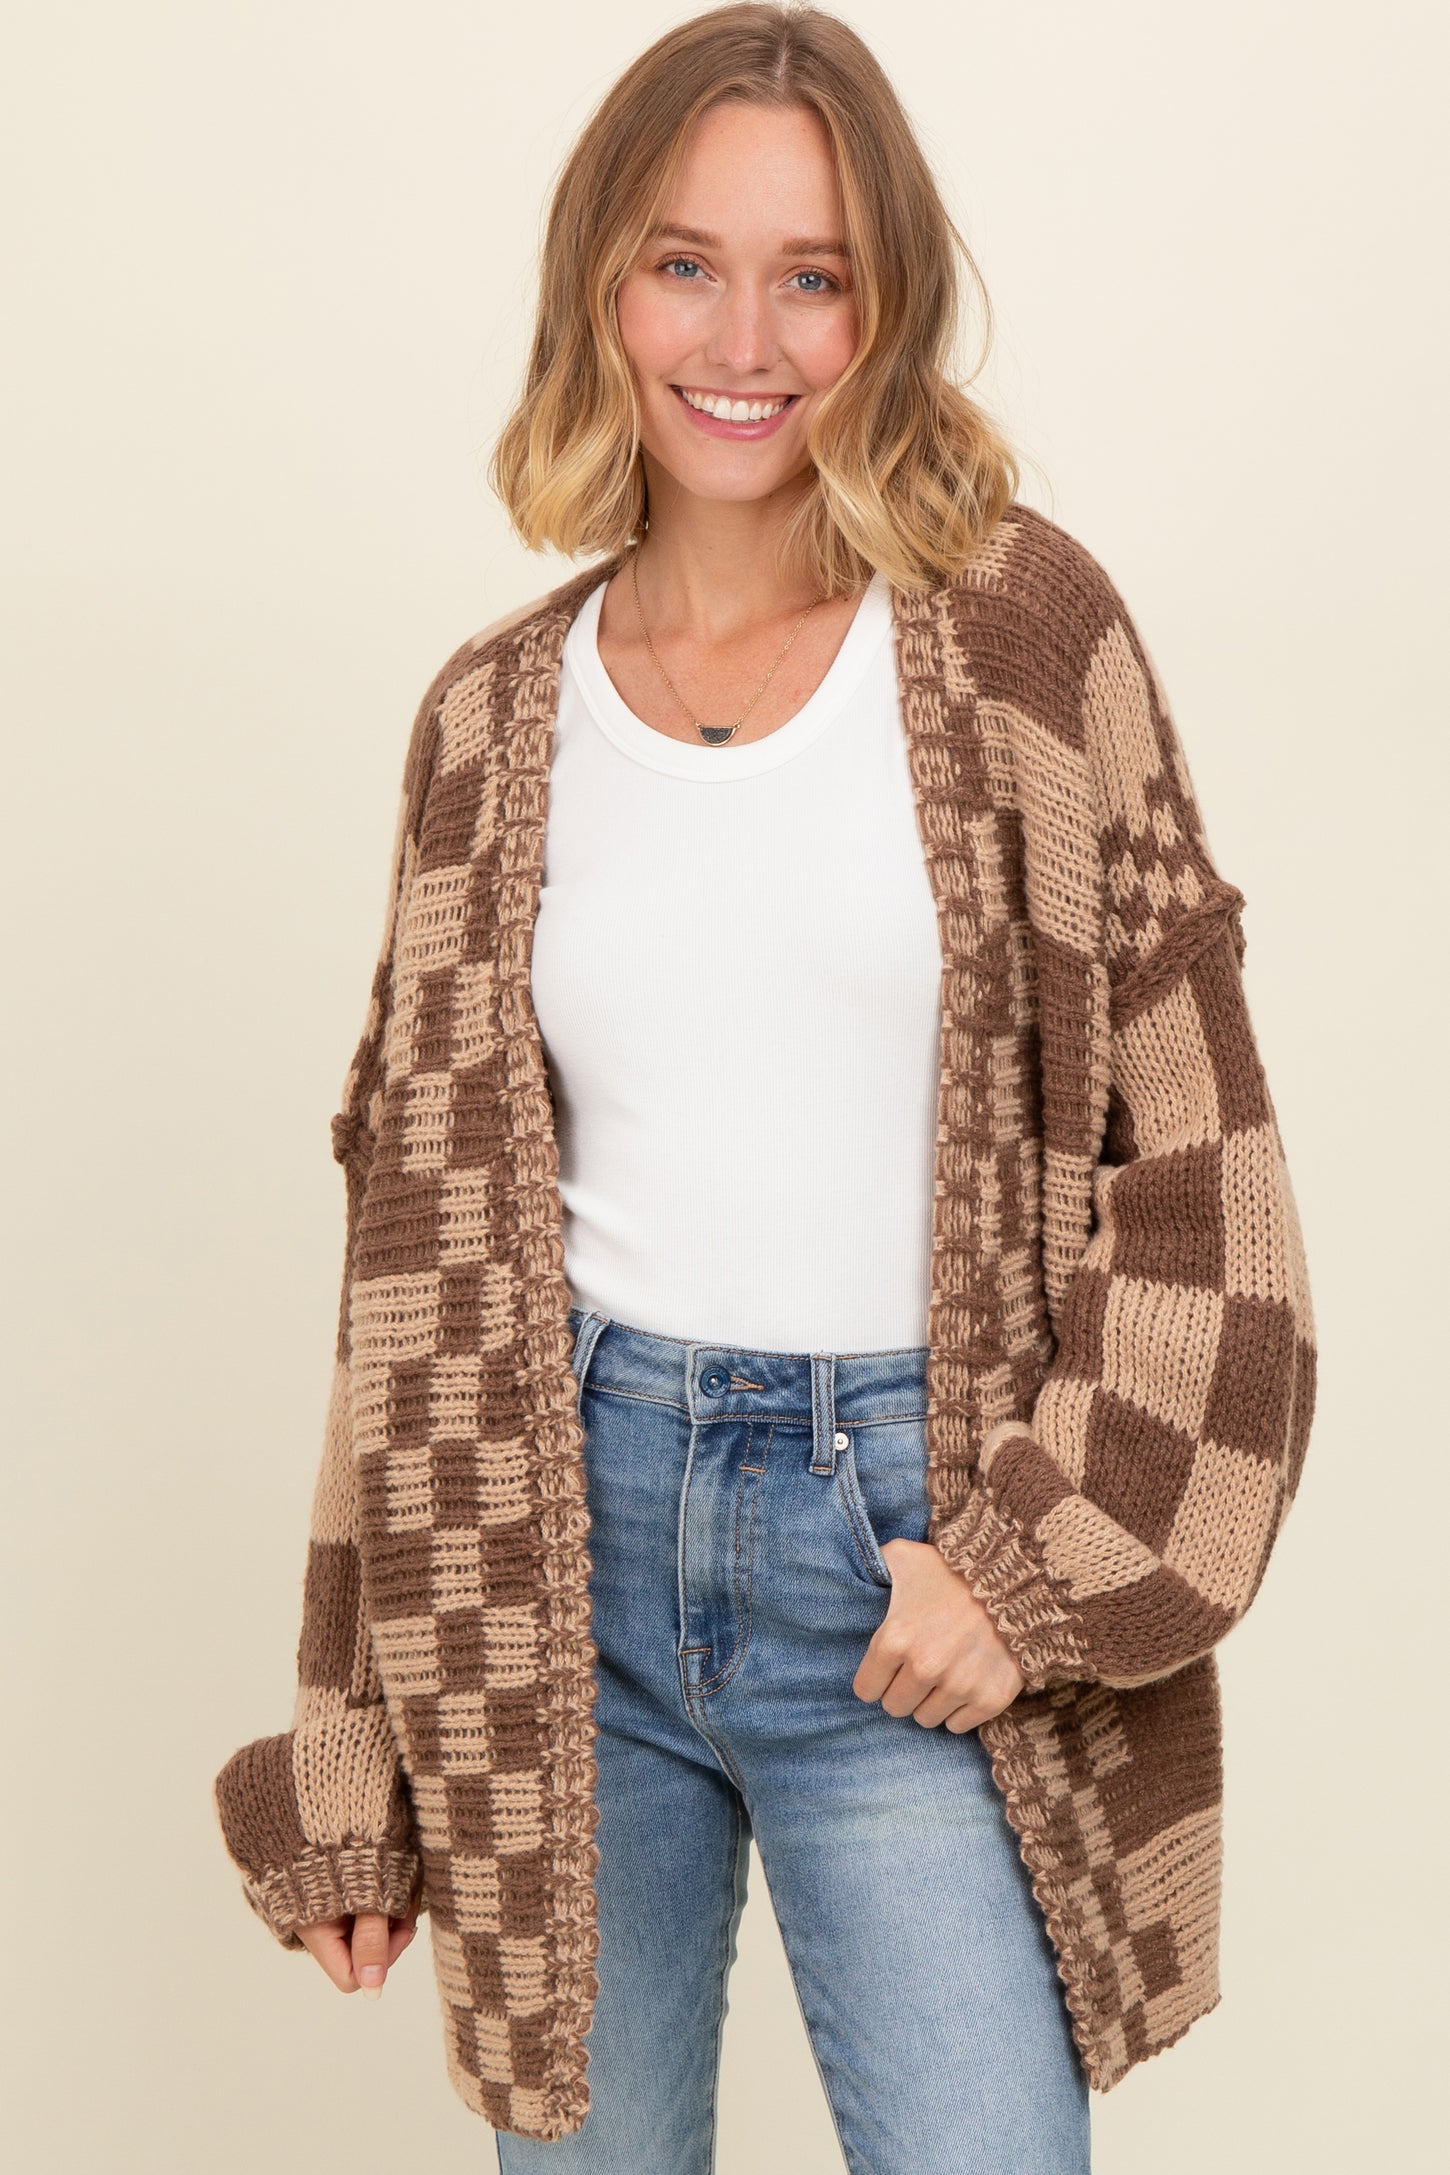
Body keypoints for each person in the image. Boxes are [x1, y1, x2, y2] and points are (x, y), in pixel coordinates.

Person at [212, 8, 1316, 2172]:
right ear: (598, 294)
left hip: (903, 1544)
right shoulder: (487, 724)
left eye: (811, 275)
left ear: (884, 308)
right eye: (682, 265)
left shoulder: (1022, 639)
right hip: (551, 1564)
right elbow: (407, 1271)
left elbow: (1202, 1170)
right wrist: (356, 1734)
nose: (743, 341)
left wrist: (1023, 1569)